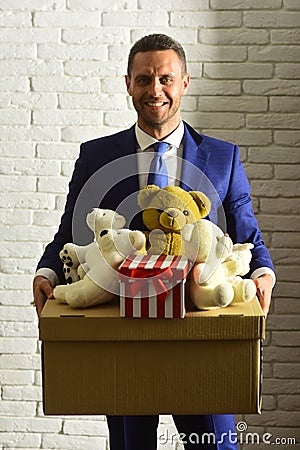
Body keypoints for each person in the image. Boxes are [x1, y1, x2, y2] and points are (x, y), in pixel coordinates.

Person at [33, 34, 275, 450]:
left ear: (184, 82)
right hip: (124, 333)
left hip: (201, 339)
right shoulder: (97, 158)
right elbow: (68, 234)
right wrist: (47, 271)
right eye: (144, 79)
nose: (155, 90)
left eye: (166, 78)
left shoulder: (222, 157)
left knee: (216, 446)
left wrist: (264, 272)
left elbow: (247, 232)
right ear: (128, 84)